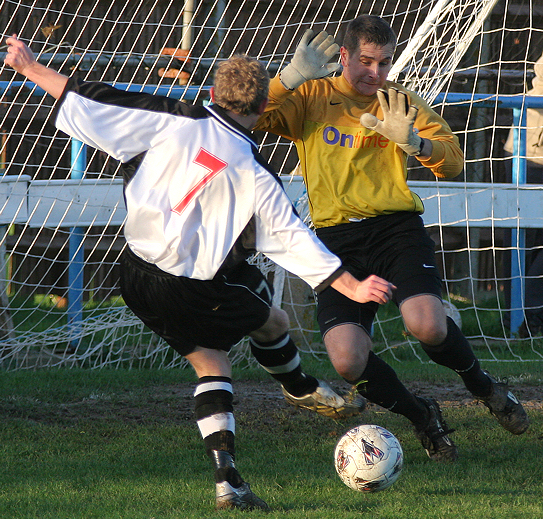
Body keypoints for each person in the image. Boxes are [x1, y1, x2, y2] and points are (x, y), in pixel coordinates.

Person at [4, 36, 396, 511]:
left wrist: (28, 66)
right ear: (261, 110)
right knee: (268, 327)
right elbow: (294, 238)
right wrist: (351, 284)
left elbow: (88, 96)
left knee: (215, 358)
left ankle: (237, 473)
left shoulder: (167, 116)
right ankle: (296, 394)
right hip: (193, 286)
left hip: (133, 274)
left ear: (212, 95)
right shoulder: (253, 172)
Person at [255, 14, 530, 463]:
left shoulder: (399, 102)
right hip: (335, 238)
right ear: (343, 56)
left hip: (395, 229)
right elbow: (249, 115)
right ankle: (423, 416)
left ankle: (485, 387)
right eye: (365, 61)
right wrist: (285, 80)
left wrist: (417, 145)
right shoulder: (310, 96)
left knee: (428, 324)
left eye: (384, 63)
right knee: (347, 361)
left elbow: (454, 162)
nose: (375, 73)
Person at [503, 48, 543, 337]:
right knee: (519, 240)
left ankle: (528, 318)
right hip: (528, 155)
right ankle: (521, 319)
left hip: (528, 150)